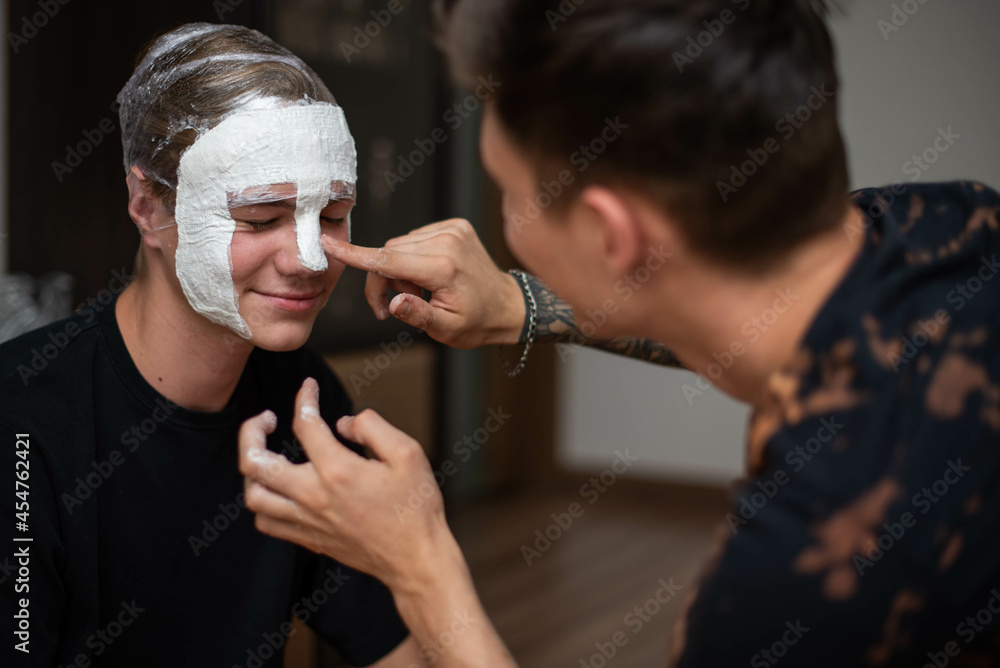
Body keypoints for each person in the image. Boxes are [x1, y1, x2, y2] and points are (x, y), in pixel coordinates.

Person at [236, 1, 1000, 666]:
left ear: (611, 233)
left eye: (507, 191)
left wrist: (419, 564)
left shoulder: (801, 576)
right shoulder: (958, 222)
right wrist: (518, 304)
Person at [0, 23, 425, 667]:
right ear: (147, 207)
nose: (311, 259)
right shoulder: (23, 423)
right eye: (261, 218)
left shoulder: (304, 398)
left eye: (333, 215)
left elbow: (391, 648)